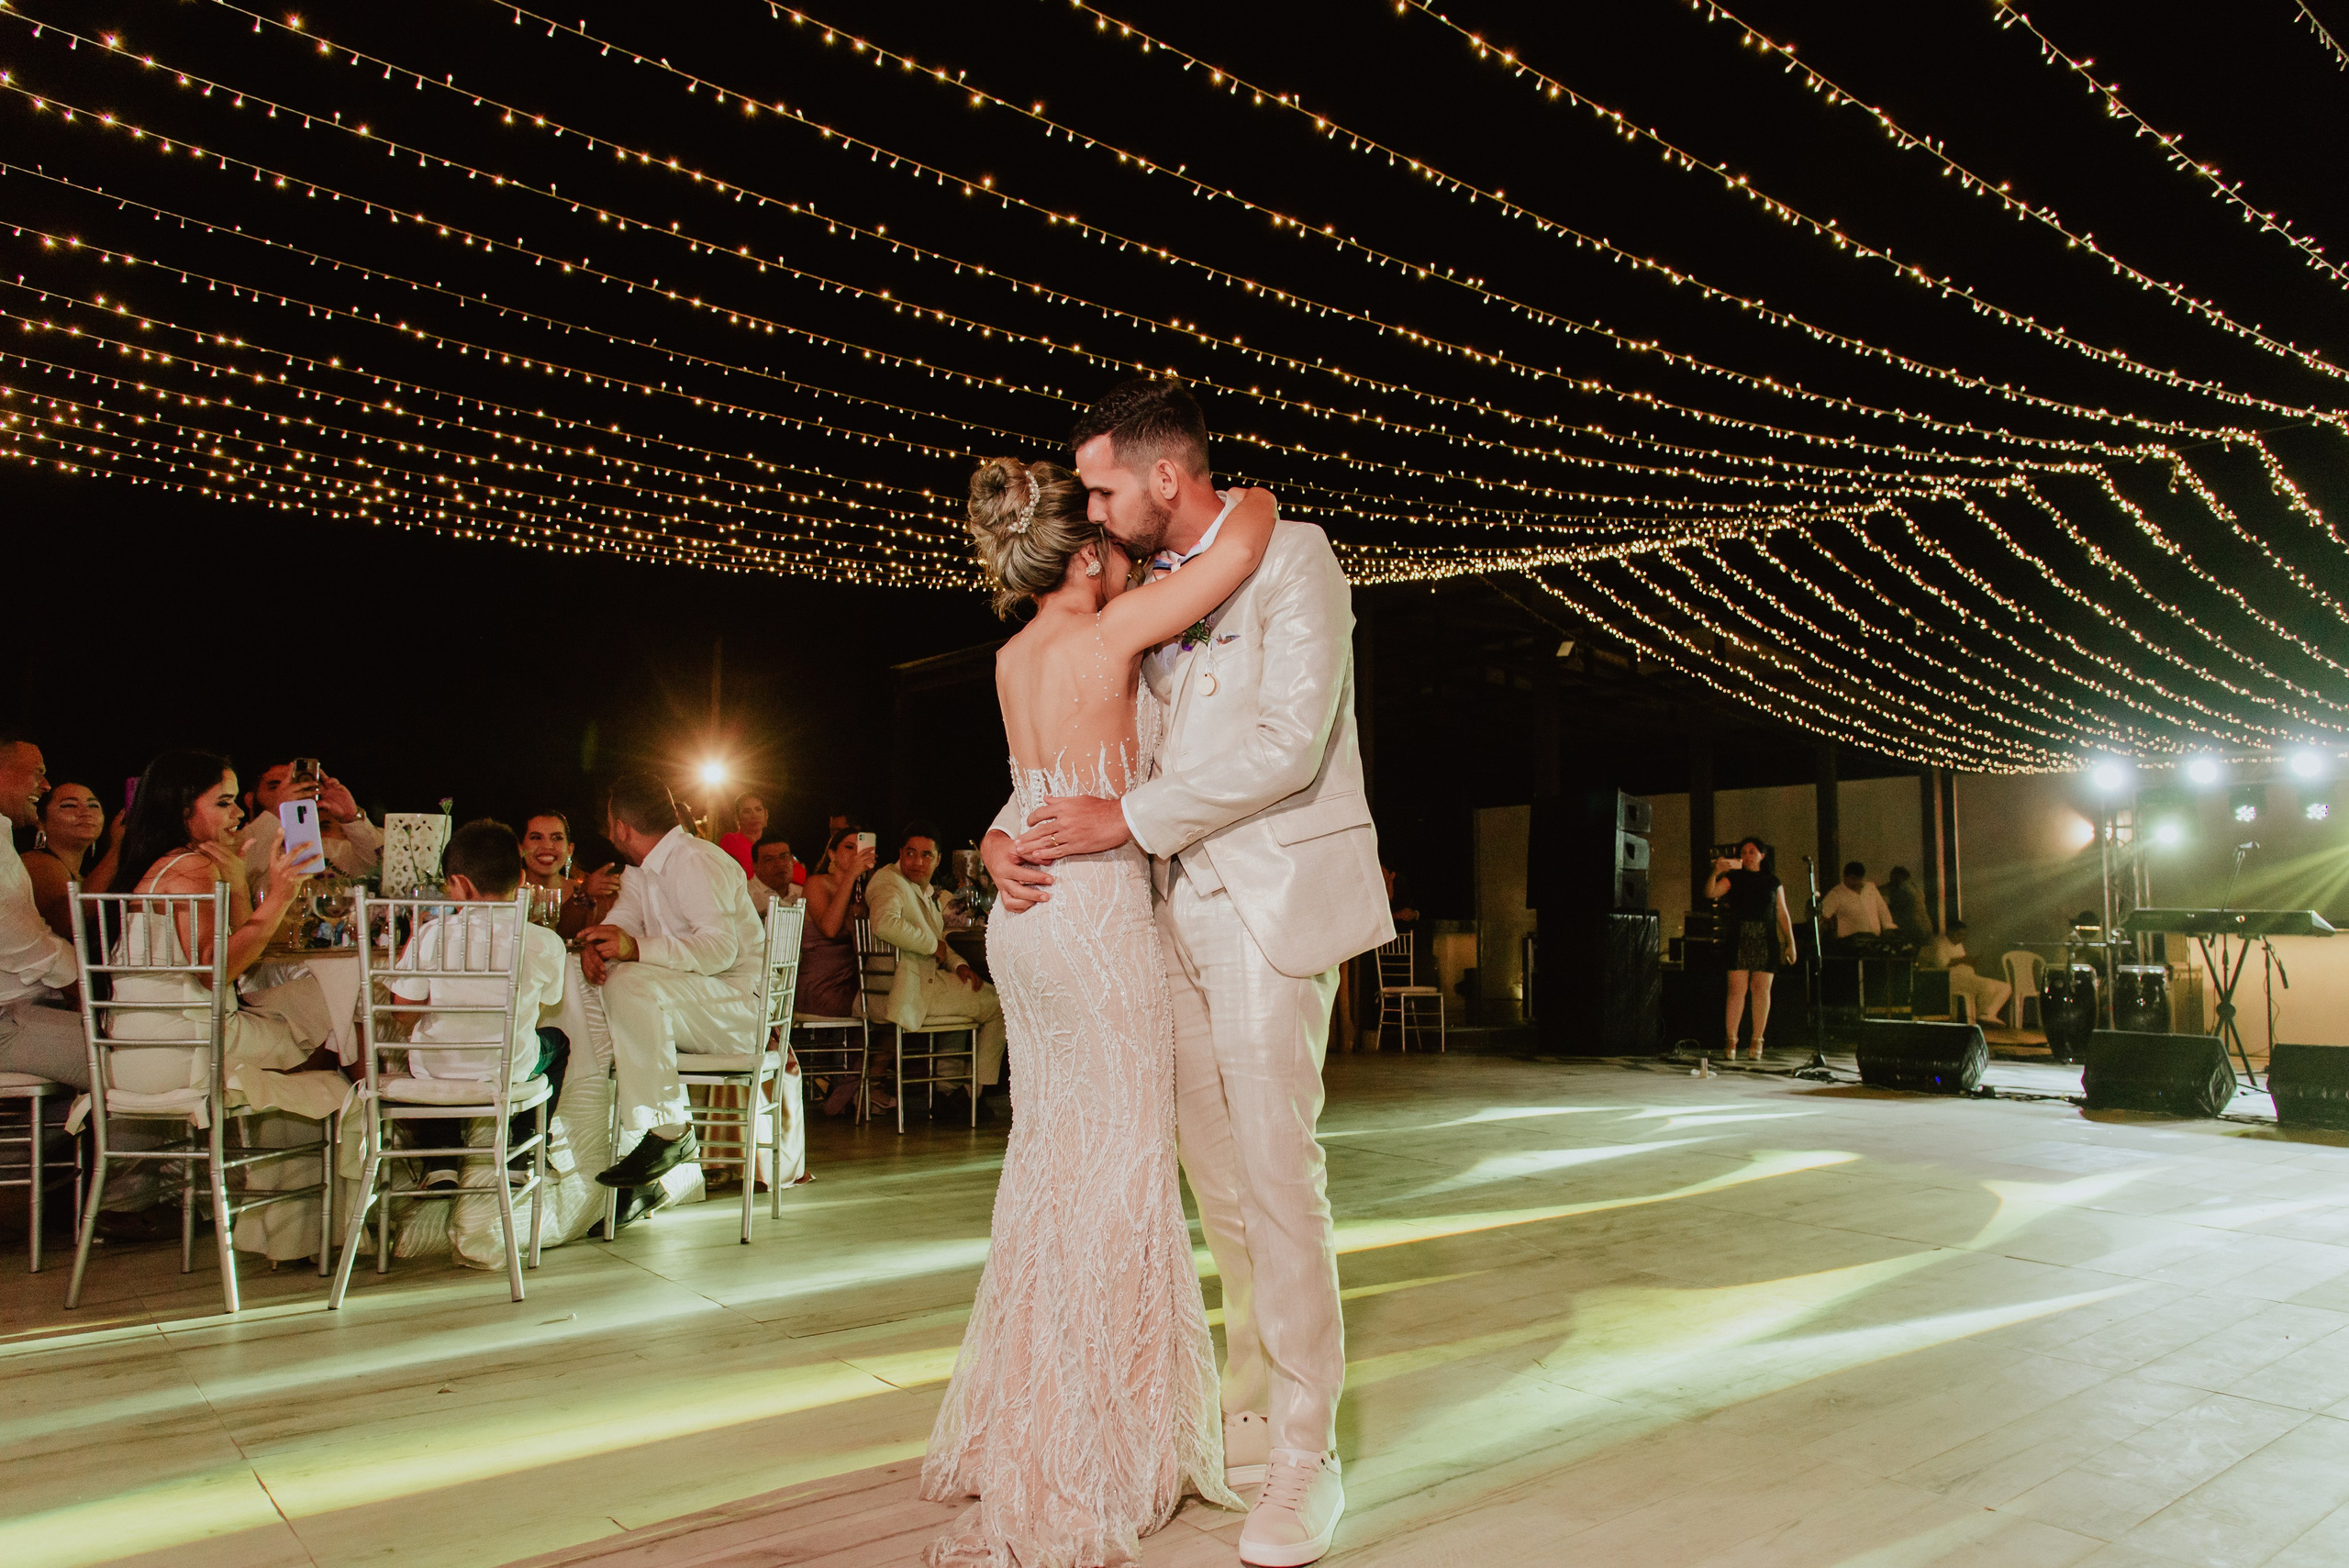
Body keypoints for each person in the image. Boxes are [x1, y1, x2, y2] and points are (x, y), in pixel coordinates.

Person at [973, 376, 1386, 1566]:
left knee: (1278, 1175)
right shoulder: (1139, 596)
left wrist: (1127, 820)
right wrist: (1000, 836)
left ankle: (1306, 1456)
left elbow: (1288, 744)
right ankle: (1246, 1411)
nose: (1093, 510)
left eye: (1103, 487)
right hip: (1152, 920)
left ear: (1164, 475)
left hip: (1263, 908)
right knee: (1218, 1187)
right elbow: (1081, 754)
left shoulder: (1294, 556)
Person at [103, 750, 347, 1121]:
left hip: (136, 1056)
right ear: (183, 808)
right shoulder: (190, 867)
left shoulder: (163, 863)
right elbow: (215, 971)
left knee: (316, 1003)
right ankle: (328, 1131)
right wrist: (280, 896)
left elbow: (241, 957)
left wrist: (236, 883)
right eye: (223, 803)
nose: (237, 814)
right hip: (190, 1054)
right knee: (337, 1018)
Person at [573, 773, 766, 1191]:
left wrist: (634, 948)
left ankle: (667, 1132)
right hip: (696, 1000)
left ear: (622, 828)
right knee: (588, 979)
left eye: (609, 824)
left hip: (738, 1006)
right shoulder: (642, 869)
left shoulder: (695, 860)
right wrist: (599, 944)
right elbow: (625, 920)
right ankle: (599, 1142)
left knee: (628, 983)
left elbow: (719, 950)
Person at [386, 819, 567, 1178]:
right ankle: (523, 1148)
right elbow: (540, 1008)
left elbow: (402, 1014)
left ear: (460, 884)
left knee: (435, 1056)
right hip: (508, 1069)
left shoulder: (432, 934)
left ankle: (440, 1162)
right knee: (557, 1042)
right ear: (521, 878)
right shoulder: (545, 941)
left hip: (437, 1071)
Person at [864, 826, 1008, 1125]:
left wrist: (958, 965)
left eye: (926, 855)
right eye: (910, 853)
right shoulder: (889, 882)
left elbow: (939, 940)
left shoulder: (919, 889)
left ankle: (946, 1092)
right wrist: (932, 947)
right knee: (998, 1005)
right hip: (903, 989)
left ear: (938, 859)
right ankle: (971, 1094)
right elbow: (885, 924)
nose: (917, 861)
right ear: (900, 854)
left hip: (916, 983)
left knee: (968, 995)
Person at [0, 730, 85, 1087]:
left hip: (23, 1012)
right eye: (37, 772)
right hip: (7, 1021)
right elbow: (16, 935)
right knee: (139, 1056)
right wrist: (88, 983)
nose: (46, 785)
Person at [797, 826, 886, 1119]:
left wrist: (872, 881)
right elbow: (830, 928)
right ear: (832, 854)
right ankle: (855, 1090)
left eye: (860, 847)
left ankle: (857, 1087)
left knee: (893, 1005)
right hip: (819, 985)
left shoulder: (863, 890)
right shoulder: (816, 884)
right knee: (881, 1009)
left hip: (851, 982)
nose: (855, 853)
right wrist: (850, 877)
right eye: (849, 847)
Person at [1706, 838, 1798, 1060]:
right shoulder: (1733, 878)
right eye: (1744, 852)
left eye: (1752, 851)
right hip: (1740, 936)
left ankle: (1757, 1039)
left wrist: (1790, 943)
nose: (1747, 856)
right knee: (1736, 990)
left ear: (1762, 855)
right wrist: (1715, 872)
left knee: (1761, 989)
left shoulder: (1773, 882)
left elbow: (1782, 913)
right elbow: (1710, 893)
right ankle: (1731, 1039)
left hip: (1765, 937)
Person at [238, 758, 384, 893]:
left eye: (296, 785)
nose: (289, 792)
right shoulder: (236, 844)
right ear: (250, 799)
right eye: (276, 787)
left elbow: (381, 864)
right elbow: (240, 869)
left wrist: (351, 818)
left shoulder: (328, 849)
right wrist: (278, 810)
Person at [19, 781, 120, 941]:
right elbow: (66, 920)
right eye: (69, 805)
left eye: (93, 806)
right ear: (40, 822)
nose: (85, 812)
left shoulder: (89, 875)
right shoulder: (37, 862)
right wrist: (117, 850)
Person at [1918, 918, 2013, 1026]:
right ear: (1950, 932)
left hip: (1968, 977)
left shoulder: (1958, 945)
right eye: (1959, 935)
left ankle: (1988, 1014)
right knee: (1988, 987)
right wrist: (1963, 960)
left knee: (2006, 987)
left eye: (1964, 935)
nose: (1962, 938)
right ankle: (1980, 1017)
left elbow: (1962, 960)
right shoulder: (1939, 943)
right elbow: (1942, 965)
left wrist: (1970, 962)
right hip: (1952, 979)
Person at [1819, 860, 1895, 946]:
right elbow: (1823, 914)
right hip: (1850, 944)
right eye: (1853, 879)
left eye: (1859, 879)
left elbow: (1883, 910)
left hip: (1874, 940)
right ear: (1845, 877)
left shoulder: (1870, 888)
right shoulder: (1836, 894)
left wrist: (1889, 927)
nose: (1856, 882)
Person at [746, 832, 804, 915]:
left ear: (792, 860)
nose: (779, 864)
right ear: (755, 866)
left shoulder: (802, 894)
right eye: (769, 860)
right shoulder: (745, 895)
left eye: (784, 857)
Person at [717, 792, 771, 877]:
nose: (754, 815)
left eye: (758, 809)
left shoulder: (774, 844)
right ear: (737, 817)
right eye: (747, 811)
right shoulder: (730, 841)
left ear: (766, 814)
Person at [1883, 866, 1932, 945]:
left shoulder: (1902, 889)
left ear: (1899, 877)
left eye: (1892, 877)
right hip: (1926, 929)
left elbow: (1894, 907)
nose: (1890, 880)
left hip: (1914, 929)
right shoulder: (1914, 887)